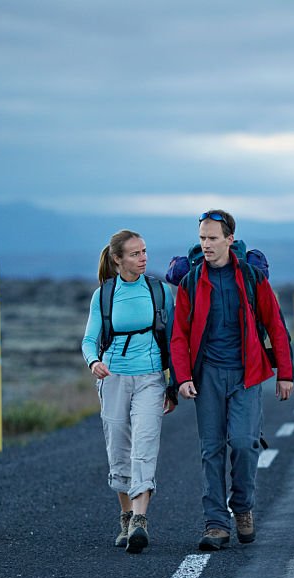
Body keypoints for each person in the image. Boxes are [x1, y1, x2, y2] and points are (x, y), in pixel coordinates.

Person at [171, 210, 294, 550]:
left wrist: (285, 373)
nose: (206, 245)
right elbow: (178, 335)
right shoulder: (191, 282)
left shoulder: (253, 278)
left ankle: (242, 507)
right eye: (201, 239)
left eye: (212, 238)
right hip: (207, 374)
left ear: (230, 240)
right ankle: (215, 523)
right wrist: (181, 377)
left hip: (247, 374)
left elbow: (275, 326)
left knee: (243, 443)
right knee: (211, 449)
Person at [81, 229, 177, 554]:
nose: (143, 258)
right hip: (113, 379)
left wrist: (174, 384)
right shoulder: (104, 295)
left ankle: (139, 521)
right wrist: (93, 361)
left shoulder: (159, 291)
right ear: (117, 259)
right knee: (118, 449)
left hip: (151, 378)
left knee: (144, 444)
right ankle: (125, 515)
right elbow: (89, 339)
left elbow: (175, 341)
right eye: (135, 254)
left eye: (145, 251)